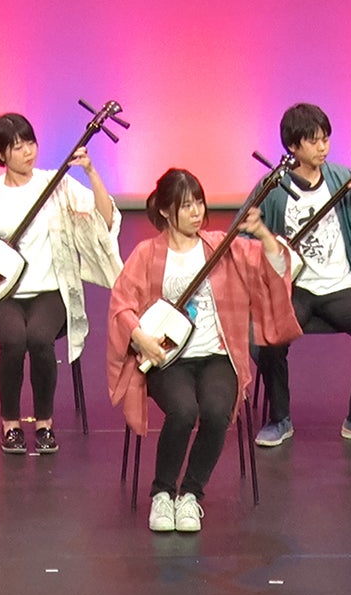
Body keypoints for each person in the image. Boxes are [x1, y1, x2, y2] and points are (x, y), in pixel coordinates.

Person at [108, 169, 300, 532]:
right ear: (165, 211)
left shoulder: (221, 247)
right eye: (186, 206)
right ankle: (162, 493)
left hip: (216, 354)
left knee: (215, 411)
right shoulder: (147, 253)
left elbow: (271, 268)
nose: (197, 212)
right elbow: (122, 304)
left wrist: (262, 233)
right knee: (183, 411)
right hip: (168, 358)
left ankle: (191, 494)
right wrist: (140, 337)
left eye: (199, 202)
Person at [0, 113, 122, 454]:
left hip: (49, 290)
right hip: (2, 294)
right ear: (0, 154)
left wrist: (91, 172)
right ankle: (10, 424)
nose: (28, 152)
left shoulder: (56, 185)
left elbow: (105, 219)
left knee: (40, 338)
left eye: (30, 143)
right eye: (17, 147)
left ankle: (44, 423)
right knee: (15, 338)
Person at [252, 103, 351, 447]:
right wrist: (263, 236)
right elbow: (246, 234)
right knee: (271, 337)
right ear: (293, 146)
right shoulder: (274, 186)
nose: (323, 148)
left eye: (326, 139)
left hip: (340, 285)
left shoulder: (340, 179)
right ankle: (279, 418)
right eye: (314, 141)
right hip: (296, 287)